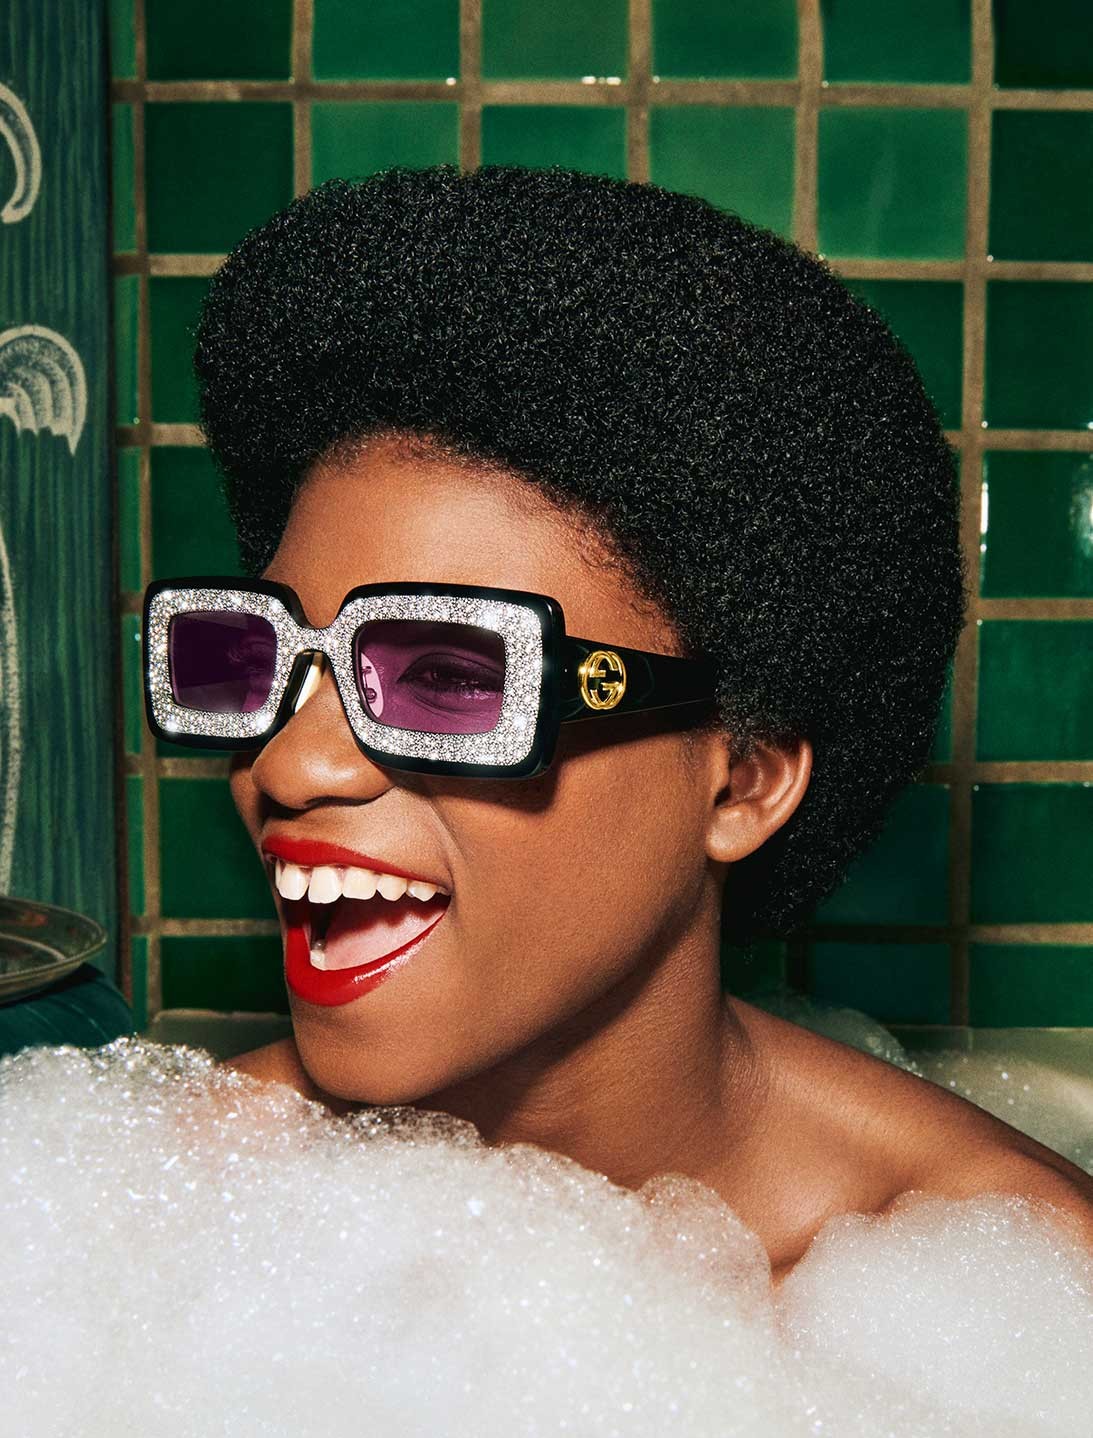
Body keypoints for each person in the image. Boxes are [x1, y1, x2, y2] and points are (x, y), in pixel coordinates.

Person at [171, 163, 1093, 1283]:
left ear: (741, 781)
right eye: (263, 657)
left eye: (449, 676)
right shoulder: (160, 1206)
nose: (290, 762)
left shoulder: (1018, 1291)